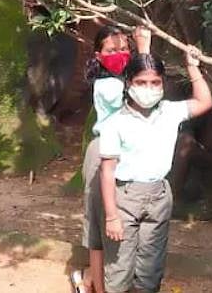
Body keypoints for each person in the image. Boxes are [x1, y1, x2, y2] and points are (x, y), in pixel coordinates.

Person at [98, 48, 212, 293]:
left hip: (159, 195)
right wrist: (111, 216)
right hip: (124, 198)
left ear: (162, 84)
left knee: (150, 272)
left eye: (155, 82)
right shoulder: (115, 122)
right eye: (141, 82)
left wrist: (193, 67)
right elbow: (107, 172)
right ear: (129, 82)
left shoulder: (169, 112)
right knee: (119, 270)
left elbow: (204, 102)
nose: (148, 88)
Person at [78, 25, 151, 293]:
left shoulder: (128, 79)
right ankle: (94, 284)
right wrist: (144, 52)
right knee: (98, 229)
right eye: (112, 50)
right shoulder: (108, 85)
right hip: (104, 155)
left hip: (129, 155)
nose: (119, 54)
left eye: (124, 49)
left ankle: (96, 281)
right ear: (99, 56)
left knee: (125, 222)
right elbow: (140, 98)